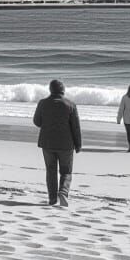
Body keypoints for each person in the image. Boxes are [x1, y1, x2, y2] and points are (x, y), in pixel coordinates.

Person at [33, 79, 82, 207]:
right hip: (66, 144)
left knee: (51, 171)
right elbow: (76, 127)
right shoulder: (70, 105)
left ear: (50, 90)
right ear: (63, 90)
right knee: (66, 171)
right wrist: (78, 144)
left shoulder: (43, 103)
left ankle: (52, 199)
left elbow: (37, 122)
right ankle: (63, 192)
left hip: (47, 143)